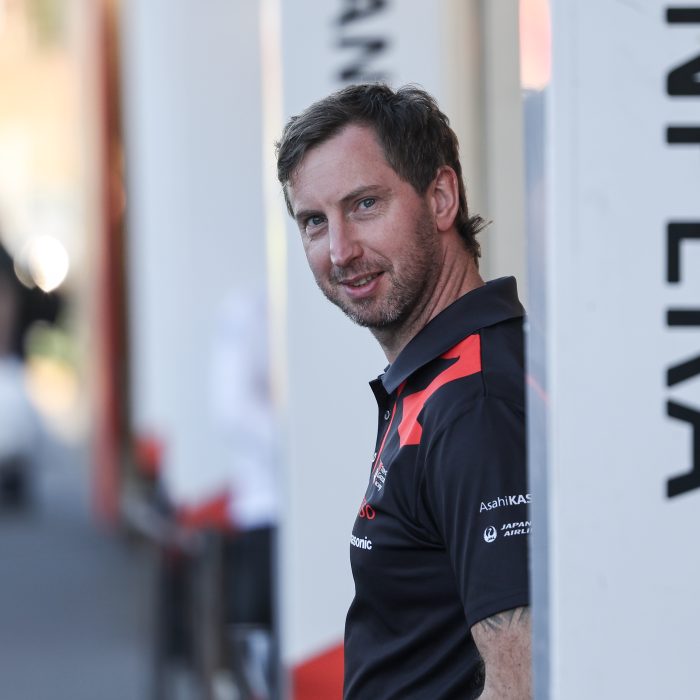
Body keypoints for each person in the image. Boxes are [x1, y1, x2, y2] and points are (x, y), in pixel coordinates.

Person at [275, 83, 531, 699]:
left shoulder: (474, 400)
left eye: (365, 204)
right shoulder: (442, 377)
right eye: (315, 222)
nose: (340, 251)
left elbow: (521, 683)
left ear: (440, 198)